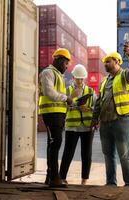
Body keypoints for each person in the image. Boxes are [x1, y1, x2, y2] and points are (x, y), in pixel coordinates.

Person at [92, 42, 129, 187]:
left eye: (108, 61)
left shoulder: (125, 75)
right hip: (106, 122)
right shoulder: (104, 81)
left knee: (124, 155)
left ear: (117, 62)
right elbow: (99, 102)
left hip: (122, 120)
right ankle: (111, 182)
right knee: (108, 154)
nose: (105, 64)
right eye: (105, 62)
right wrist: (95, 119)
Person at [38, 48, 80, 187]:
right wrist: (66, 98)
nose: (67, 67)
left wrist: (71, 103)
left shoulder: (57, 75)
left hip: (58, 114)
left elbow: (58, 98)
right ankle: (54, 179)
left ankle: (50, 177)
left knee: (53, 144)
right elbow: (49, 92)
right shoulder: (47, 73)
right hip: (51, 114)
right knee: (55, 144)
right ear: (59, 59)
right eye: (66, 63)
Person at [59, 64, 96, 185]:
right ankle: (62, 177)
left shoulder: (90, 91)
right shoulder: (68, 91)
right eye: (77, 78)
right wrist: (73, 101)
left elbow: (96, 107)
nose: (79, 81)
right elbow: (62, 106)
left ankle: (84, 179)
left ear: (84, 78)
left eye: (81, 78)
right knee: (68, 152)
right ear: (73, 77)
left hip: (87, 126)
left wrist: (89, 108)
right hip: (72, 126)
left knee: (86, 154)